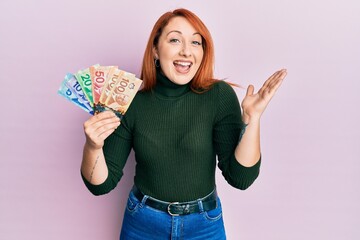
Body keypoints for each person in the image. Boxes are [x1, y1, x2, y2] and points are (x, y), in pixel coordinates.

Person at [80, 8, 287, 240]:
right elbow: (101, 185)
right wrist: (93, 146)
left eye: (196, 43)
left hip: (204, 225)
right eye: (175, 39)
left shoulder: (219, 96)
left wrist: (253, 119)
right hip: (143, 223)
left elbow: (241, 178)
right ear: (156, 50)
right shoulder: (131, 103)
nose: (186, 51)